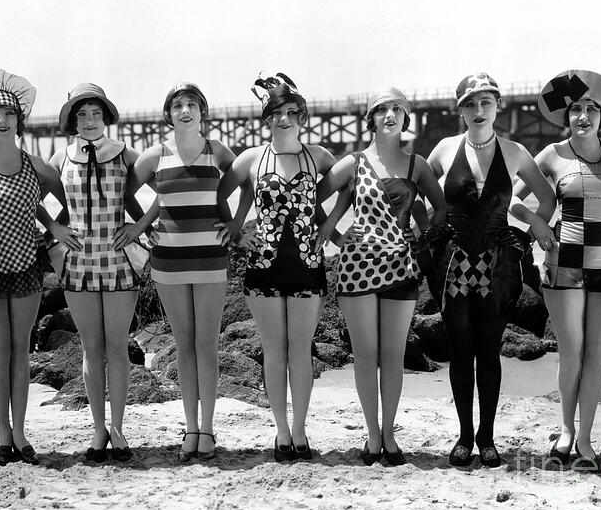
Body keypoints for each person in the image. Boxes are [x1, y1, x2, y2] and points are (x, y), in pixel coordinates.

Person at [521, 70, 601, 472]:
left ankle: (588, 440)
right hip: (563, 264)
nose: (583, 116)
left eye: (591, 109)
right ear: (566, 115)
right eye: (576, 109)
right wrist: (537, 223)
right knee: (571, 352)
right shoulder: (550, 155)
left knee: (596, 354)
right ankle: (565, 432)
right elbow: (510, 196)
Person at [426, 73, 556, 468]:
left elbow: (548, 199)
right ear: (460, 109)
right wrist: (430, 229)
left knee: (490, 350)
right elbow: (419, 191)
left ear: (498, 106)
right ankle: (465, 437)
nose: (478, 111)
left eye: (486, 102)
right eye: (470, 104)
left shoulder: (515, 152)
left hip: (498, 268)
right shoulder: (445, 150)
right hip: (454, 264)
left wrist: (528, 232)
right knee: (460, 351)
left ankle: (487, 438)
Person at [316, 87, 447, 465]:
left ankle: (389, 433)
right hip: (357, 267)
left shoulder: (416, 165)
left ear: (406, 118)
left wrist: (421, 240)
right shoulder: (352, 163)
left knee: (393, 356)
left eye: (397, 110)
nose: (390, 115)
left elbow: (440, 211)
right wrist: (338, 235)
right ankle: (372, 435)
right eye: (382, 110)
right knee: (365, 356)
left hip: (401, 269)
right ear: (371, 119)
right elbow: (310, 199)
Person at [0, 70, 79, 466]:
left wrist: (53, 227)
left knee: (20, 351)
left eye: (9, 112)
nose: (3, 119)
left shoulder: (38, 167)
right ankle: (3, 434)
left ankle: (22, 431)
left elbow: (60, 198)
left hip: (26, 263)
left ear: (18, 119)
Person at [124, 83, 247, 461]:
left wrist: (237, 226)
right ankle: (190, 428)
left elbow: (249, 181)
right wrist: (144, 224)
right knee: (184, 345)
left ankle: (207, 429)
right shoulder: (155, 155)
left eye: (192, 104)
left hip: (211, 259)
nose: (185, 110)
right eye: (177, 105)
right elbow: (127, 193)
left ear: (202, 112)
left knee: (206, 346)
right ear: (168, 114)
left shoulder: (217, 151)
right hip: (169, 263)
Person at [219, 73, 336, 462]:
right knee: (273, 352)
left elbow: (351, 182)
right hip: (263, 268)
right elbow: (221, 194)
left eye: (291, 112)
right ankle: (281, 432)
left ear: (301, 116)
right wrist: (236, 232)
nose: (284, 119)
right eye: (276, 113)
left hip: (307, 267)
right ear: (267, 118)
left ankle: (300, 431)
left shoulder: (318, 156)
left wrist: (331, 228)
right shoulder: (252, 159)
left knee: (300, 352)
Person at [47, 83, 146, 463]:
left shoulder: (126, 154)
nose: (89, 120)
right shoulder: (60, 158)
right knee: (91, 348)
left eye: (95, 113)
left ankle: (118, 429)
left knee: (117, 346)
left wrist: (139, 227)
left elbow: (162, 189)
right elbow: (36, 196)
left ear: (105, 117)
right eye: (82, 114)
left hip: (119, 258)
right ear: (72, 119)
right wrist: (54, 229)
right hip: (79, 261)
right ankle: (97, 430)